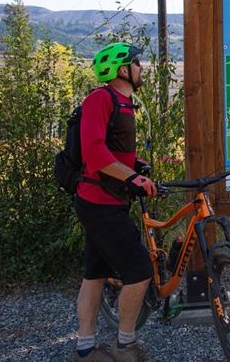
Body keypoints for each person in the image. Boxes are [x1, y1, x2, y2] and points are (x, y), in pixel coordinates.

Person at [73, 42, 157, 362]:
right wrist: (132, 179)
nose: (141, 68)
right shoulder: (101, 98)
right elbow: (94, 153)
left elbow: (114, 152)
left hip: (108, 199)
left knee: (95, 273)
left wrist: (135, 169)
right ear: (123, 69)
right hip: (99, 202)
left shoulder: (126, 103)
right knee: (138, 270)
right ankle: (125, 345)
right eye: (137, 63)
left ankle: (84, 349)